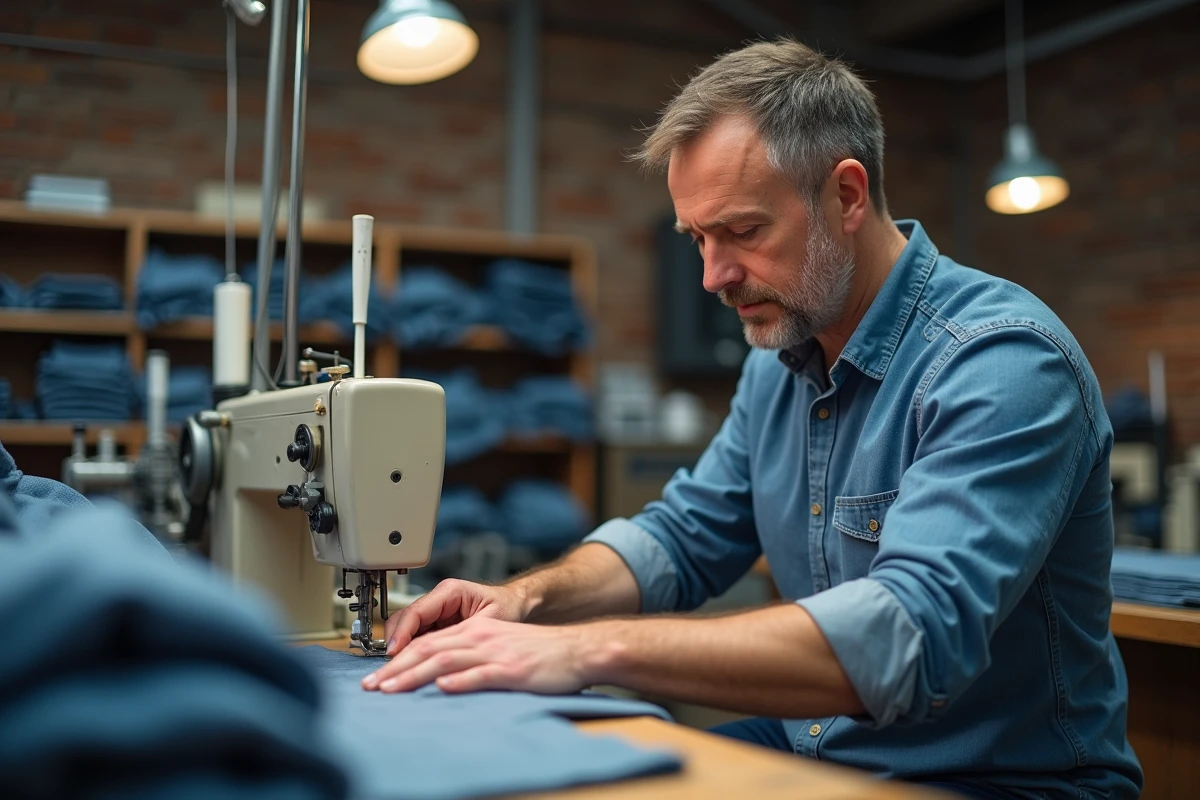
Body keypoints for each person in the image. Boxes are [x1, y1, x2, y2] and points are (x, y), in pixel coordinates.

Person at [363, 39, 1142, 799]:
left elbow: (906, 636)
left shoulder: (1001, 362)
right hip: (822, 745)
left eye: (742, 231)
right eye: (697, 239)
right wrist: (524, 602)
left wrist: (582, 649)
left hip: (996, 778)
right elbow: (682, 538)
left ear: (846, 195)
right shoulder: (778, 364)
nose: (713, 276)